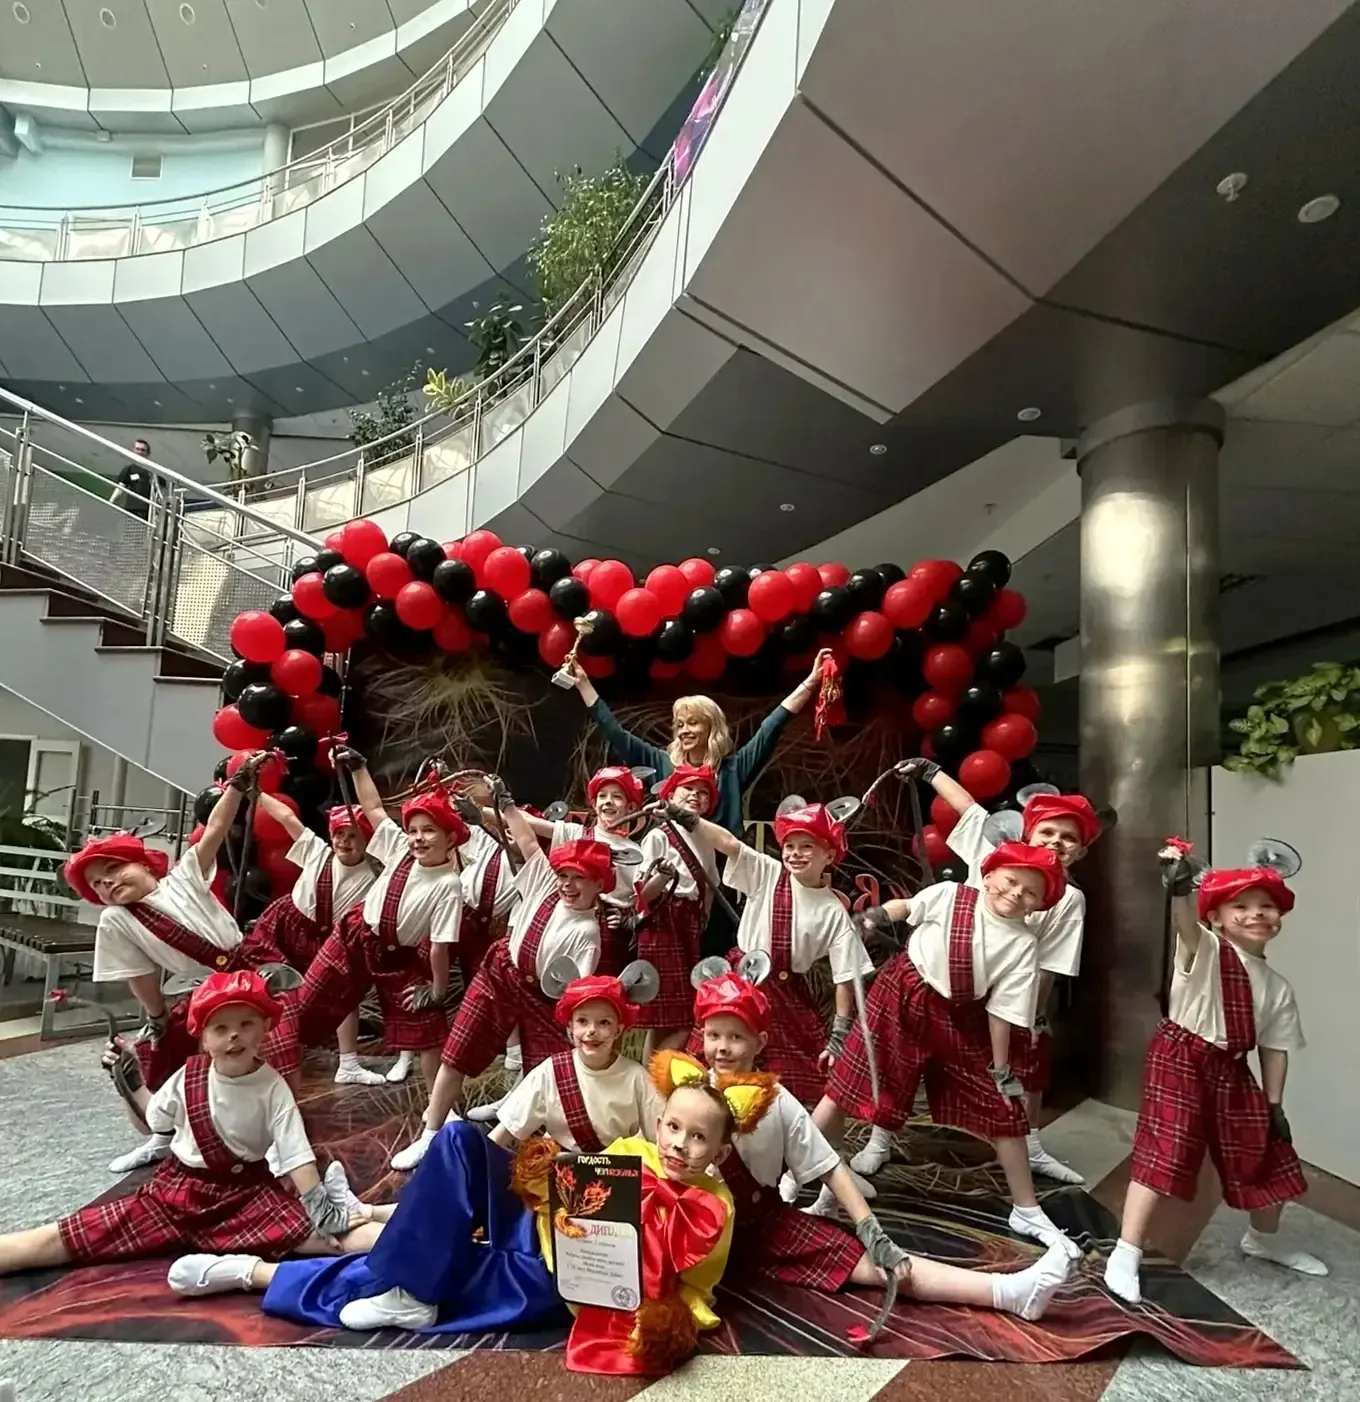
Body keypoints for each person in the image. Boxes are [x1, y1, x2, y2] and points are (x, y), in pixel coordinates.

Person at [170, 1077, 740, 1378]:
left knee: (419, 1271)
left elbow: (696, 1292)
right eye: (673, 1128)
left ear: (719, 1150)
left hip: (553, 1282)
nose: (679, 1145)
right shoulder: (632, 1151)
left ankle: (252, 1274)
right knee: (459, 1137)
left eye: (698, 1138)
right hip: (536, 1227)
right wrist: (543, 1180)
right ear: (658, 1123)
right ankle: (405, 1276)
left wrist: (661, 1324)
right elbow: (574, 1193)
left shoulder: (717, 1207)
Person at [222, 971, 667, 1333]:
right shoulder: (552, 1072)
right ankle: (411, 1293)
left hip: (600, 1203)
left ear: (620, 1028)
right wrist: (474, 1182)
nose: (592, 1031)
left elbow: (662, 1155)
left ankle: (369, 1218)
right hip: (544, 1189)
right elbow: (499, 1141)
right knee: (456, 1138)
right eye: (583, 1021)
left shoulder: (636, 1080)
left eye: (603, 1022)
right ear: (568, 1027)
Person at [687, 969, 1073, 1321]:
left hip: (762, 1228)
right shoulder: (688, 1092)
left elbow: (830, 1167)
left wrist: (871, 1229)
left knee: (881, 1265)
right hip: (693, 1229)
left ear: (760, 1042)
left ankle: (1007, 1293)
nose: (722, 1048)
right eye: (713, 1035)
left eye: (736, 1037)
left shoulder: (777, 1101)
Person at [0, 972, 381, 1281]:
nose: (234, 1035)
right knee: (73, 1236)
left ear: (266, 1027)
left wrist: (318, 1206)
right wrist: (130, 1082)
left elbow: (296, 1155)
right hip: (173, 1197)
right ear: (203, 1037)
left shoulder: (273, 1087)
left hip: (244, 1197)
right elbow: (153, 1122)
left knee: (336, 1238)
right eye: (221, 1028)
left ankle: (410, 1241)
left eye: (246, 1024)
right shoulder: (188, 1076)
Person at [808, 843, 1078, 1257]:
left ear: (1040, 904)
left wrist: (1001, 1070)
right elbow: (908, 907)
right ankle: (807, 1173)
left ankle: (1026, 1209)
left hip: (961, 1016)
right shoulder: (952, 895)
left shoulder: (1024, 945)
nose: (1015, 894)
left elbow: (1001, 1013)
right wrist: (878, 916)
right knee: (845, 1084)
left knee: (1003, 1107)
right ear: (989, 875)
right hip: (901, 994)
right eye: (1011, 881)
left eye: (1030, 892)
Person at [855, 761, 1103, 1185]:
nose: (1056, 842)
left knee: (1024, 1070)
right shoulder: (993, 853)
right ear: (1028, 831)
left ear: (1080, 851)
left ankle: (1032, 1148)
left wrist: (1032, 1018)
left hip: (1003, 999)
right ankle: (880, 1139)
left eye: (1069, 838)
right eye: (1048, 832)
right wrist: (930, 772)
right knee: (901, 1064)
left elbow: (1049, 964)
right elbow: (968, 808)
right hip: (935, 982)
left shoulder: (1069, 901)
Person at [1103, 849, 1326, 1305]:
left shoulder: (1278, 988)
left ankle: (1263, 1239)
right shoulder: (1205, 949)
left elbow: (1275, 1049)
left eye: (1266, 906)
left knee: (1268, 1152)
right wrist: (1180, 888)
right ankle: (1126, 1250)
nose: (1256, 914)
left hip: (1231, 1067)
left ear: (1279, 918)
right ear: (1217, 919)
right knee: (1165, 1149)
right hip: (1182, 1057)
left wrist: (1274, 1105)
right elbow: (1184, 924)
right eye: (1240, 906)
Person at [390, 783, 613, 1170]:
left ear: (599, 884)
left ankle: (527, 1135)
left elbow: (575, 991)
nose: (568, 884)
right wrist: (506, 806)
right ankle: (431, 1132)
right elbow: (526, 842)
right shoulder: (545, 883)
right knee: (457, 1051)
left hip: (544, 999)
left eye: (580, 877)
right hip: (500, 974)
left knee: (549, 1071)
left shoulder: (588, 934)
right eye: (564, 874)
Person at [64, 752, 290, 1119]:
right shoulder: (116, 919)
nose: (107, 882)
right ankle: (167, 1124)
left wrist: (236, 787)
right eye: (97, 884)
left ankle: (279, 1119)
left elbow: (215, 829)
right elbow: (139, 973)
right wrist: (158, 1017)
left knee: (281, 1044)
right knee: (171, 1058)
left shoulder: (184, 877)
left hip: (252, 966)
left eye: (113, 869)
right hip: (204, 989)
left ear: (143, 863)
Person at [663, 798, 872, 1107]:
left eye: (807, 847)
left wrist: (839, 1034)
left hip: (786, 993)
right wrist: (687, 818)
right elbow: (730, 844)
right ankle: (703, 1112)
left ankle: (773, 1119)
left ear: (829, 855)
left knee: (795, 1071)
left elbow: (845, 977)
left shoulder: (834, 912)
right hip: (741, 981)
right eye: (790, 846)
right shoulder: (768, 872)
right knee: (715, 1053)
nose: (795, 854)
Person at [283, 748, 464, 1090]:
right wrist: (359, 768)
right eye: (413, 830)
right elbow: (374, 808)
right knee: (307, 1004)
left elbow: (439, 947)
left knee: (428, 1027)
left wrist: (437, 992)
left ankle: (440, 1110)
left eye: (429, 831)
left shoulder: (449, 885)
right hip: (355, 936)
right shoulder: (399, 849)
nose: (418, 838)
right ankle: (274, 1073)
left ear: (451, 838)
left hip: (396, 957)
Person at [569, 647, 834, 836]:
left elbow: (772, 726)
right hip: (672, 869)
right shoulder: (660, 762)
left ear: (712, 728)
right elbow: (615, 732)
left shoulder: (733, 769)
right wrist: (583, 685)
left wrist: (811, 682)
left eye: (693, 723)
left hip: (720, 875)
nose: (684, 730)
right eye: (680, 724)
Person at [250, 796, 385, 1088]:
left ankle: (348, 1063)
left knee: (344, 995)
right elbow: (287, 817)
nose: (344, 841)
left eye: (353, 836)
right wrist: (257, 792)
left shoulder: (376, 878)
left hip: (331, 942)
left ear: (367, 841)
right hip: (288, 929)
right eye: (339, 833)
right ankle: (261, 1055)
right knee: (272, 989)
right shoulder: (316, 852)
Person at [634, 765, 720, 1053]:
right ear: (670, 795)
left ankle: (654, 1072)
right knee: (673, 1015)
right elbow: (642, 895)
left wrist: (703, 916)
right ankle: (654, 1072)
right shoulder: (659, 836)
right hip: (663, 921)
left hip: (690, 923)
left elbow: (711, 885)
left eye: (703, 792)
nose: (695, 795)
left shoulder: (707, 839)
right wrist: (663, 878)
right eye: (688, 789)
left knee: (675, 1015)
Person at [110, 439, 154, 519]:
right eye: (137, 449)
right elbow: (120, 487)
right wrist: (111, 501)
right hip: (131, 510)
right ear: (133, 450)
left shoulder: (154, 471)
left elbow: (162, 491)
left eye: (143, 450)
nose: (140, 452)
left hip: (148, 511)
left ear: (148, 453)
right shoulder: (129, 469)